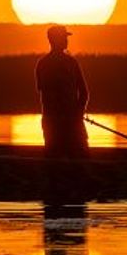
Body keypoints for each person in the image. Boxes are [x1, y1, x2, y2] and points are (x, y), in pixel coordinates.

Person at [36, 24, 89, 158]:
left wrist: (78, 113)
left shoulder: (45, 64)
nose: (66, 40)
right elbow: (47, 94)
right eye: (64, 37)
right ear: (54, 40)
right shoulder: (48, 64)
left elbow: (84, 93)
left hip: (66, 121)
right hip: (55, 123)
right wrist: (75, 115)